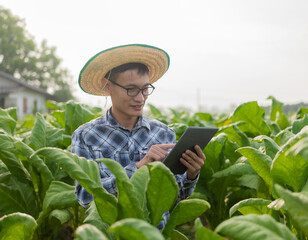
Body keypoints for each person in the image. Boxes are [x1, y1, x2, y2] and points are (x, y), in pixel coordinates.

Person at [71, 44, 206, 229]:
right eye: (131, 89)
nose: (140, 98)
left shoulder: (164, 134)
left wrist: (191, 174)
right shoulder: (86, 136)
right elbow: (85, 198)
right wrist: (139, 167)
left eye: (145, 89)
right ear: (108, 86)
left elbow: (174, 199)